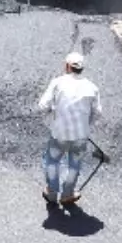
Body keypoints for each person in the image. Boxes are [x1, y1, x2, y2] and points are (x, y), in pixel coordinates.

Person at [38, 51, 102, 207]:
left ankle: (52, 192)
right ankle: (67, 194)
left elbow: (42, 105)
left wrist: (52, 112)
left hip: (59, 133)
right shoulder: (92, 88)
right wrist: (87, 125)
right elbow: (97, 113)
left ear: (67, 66)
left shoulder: (58, 83)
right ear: (82, 68)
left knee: (52, 161)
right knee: (74, 164)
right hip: (80, 136)